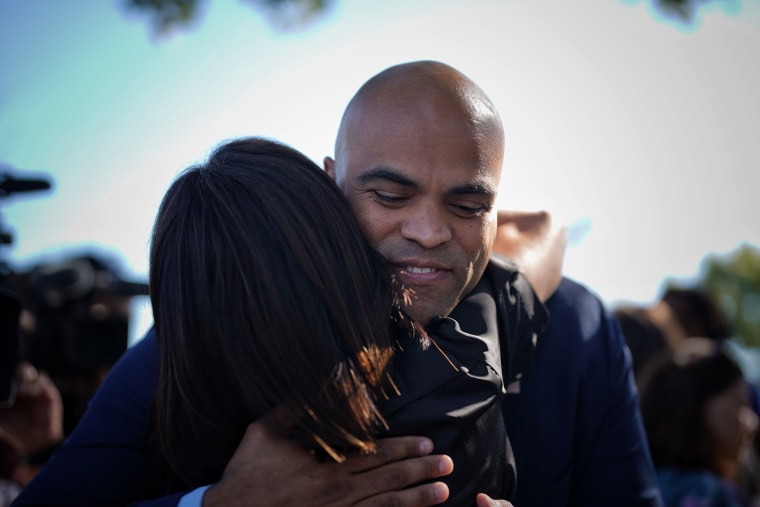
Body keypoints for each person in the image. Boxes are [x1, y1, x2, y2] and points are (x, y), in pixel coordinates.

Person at [13, 60, 661, 507]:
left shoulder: (578, 326)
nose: (429, 230)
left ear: (496, 207)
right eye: (389, 193)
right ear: (331, 182)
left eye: (465, 205)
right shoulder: (211, 333)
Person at [639, 337, 759, 507]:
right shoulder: (709, 495)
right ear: (695, 405)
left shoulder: (640, 486)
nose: (752, 423)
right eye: (739, 404)